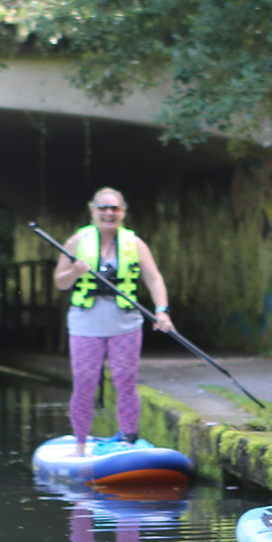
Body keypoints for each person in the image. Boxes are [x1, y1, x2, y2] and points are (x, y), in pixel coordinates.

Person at [52, 187, 174, 456]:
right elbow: (60, 282)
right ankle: (80, 444)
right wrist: (75, 270)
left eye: (114, 208)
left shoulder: (135, 243)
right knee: (85, 382)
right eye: (103, 208)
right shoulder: (77, 241)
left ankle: (128, 439)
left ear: (123, 211)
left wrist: (162, 311)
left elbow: (153, 278)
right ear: (93, 210)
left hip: (125, 324)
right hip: (86, 324)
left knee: (125, 381)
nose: (108, 213)